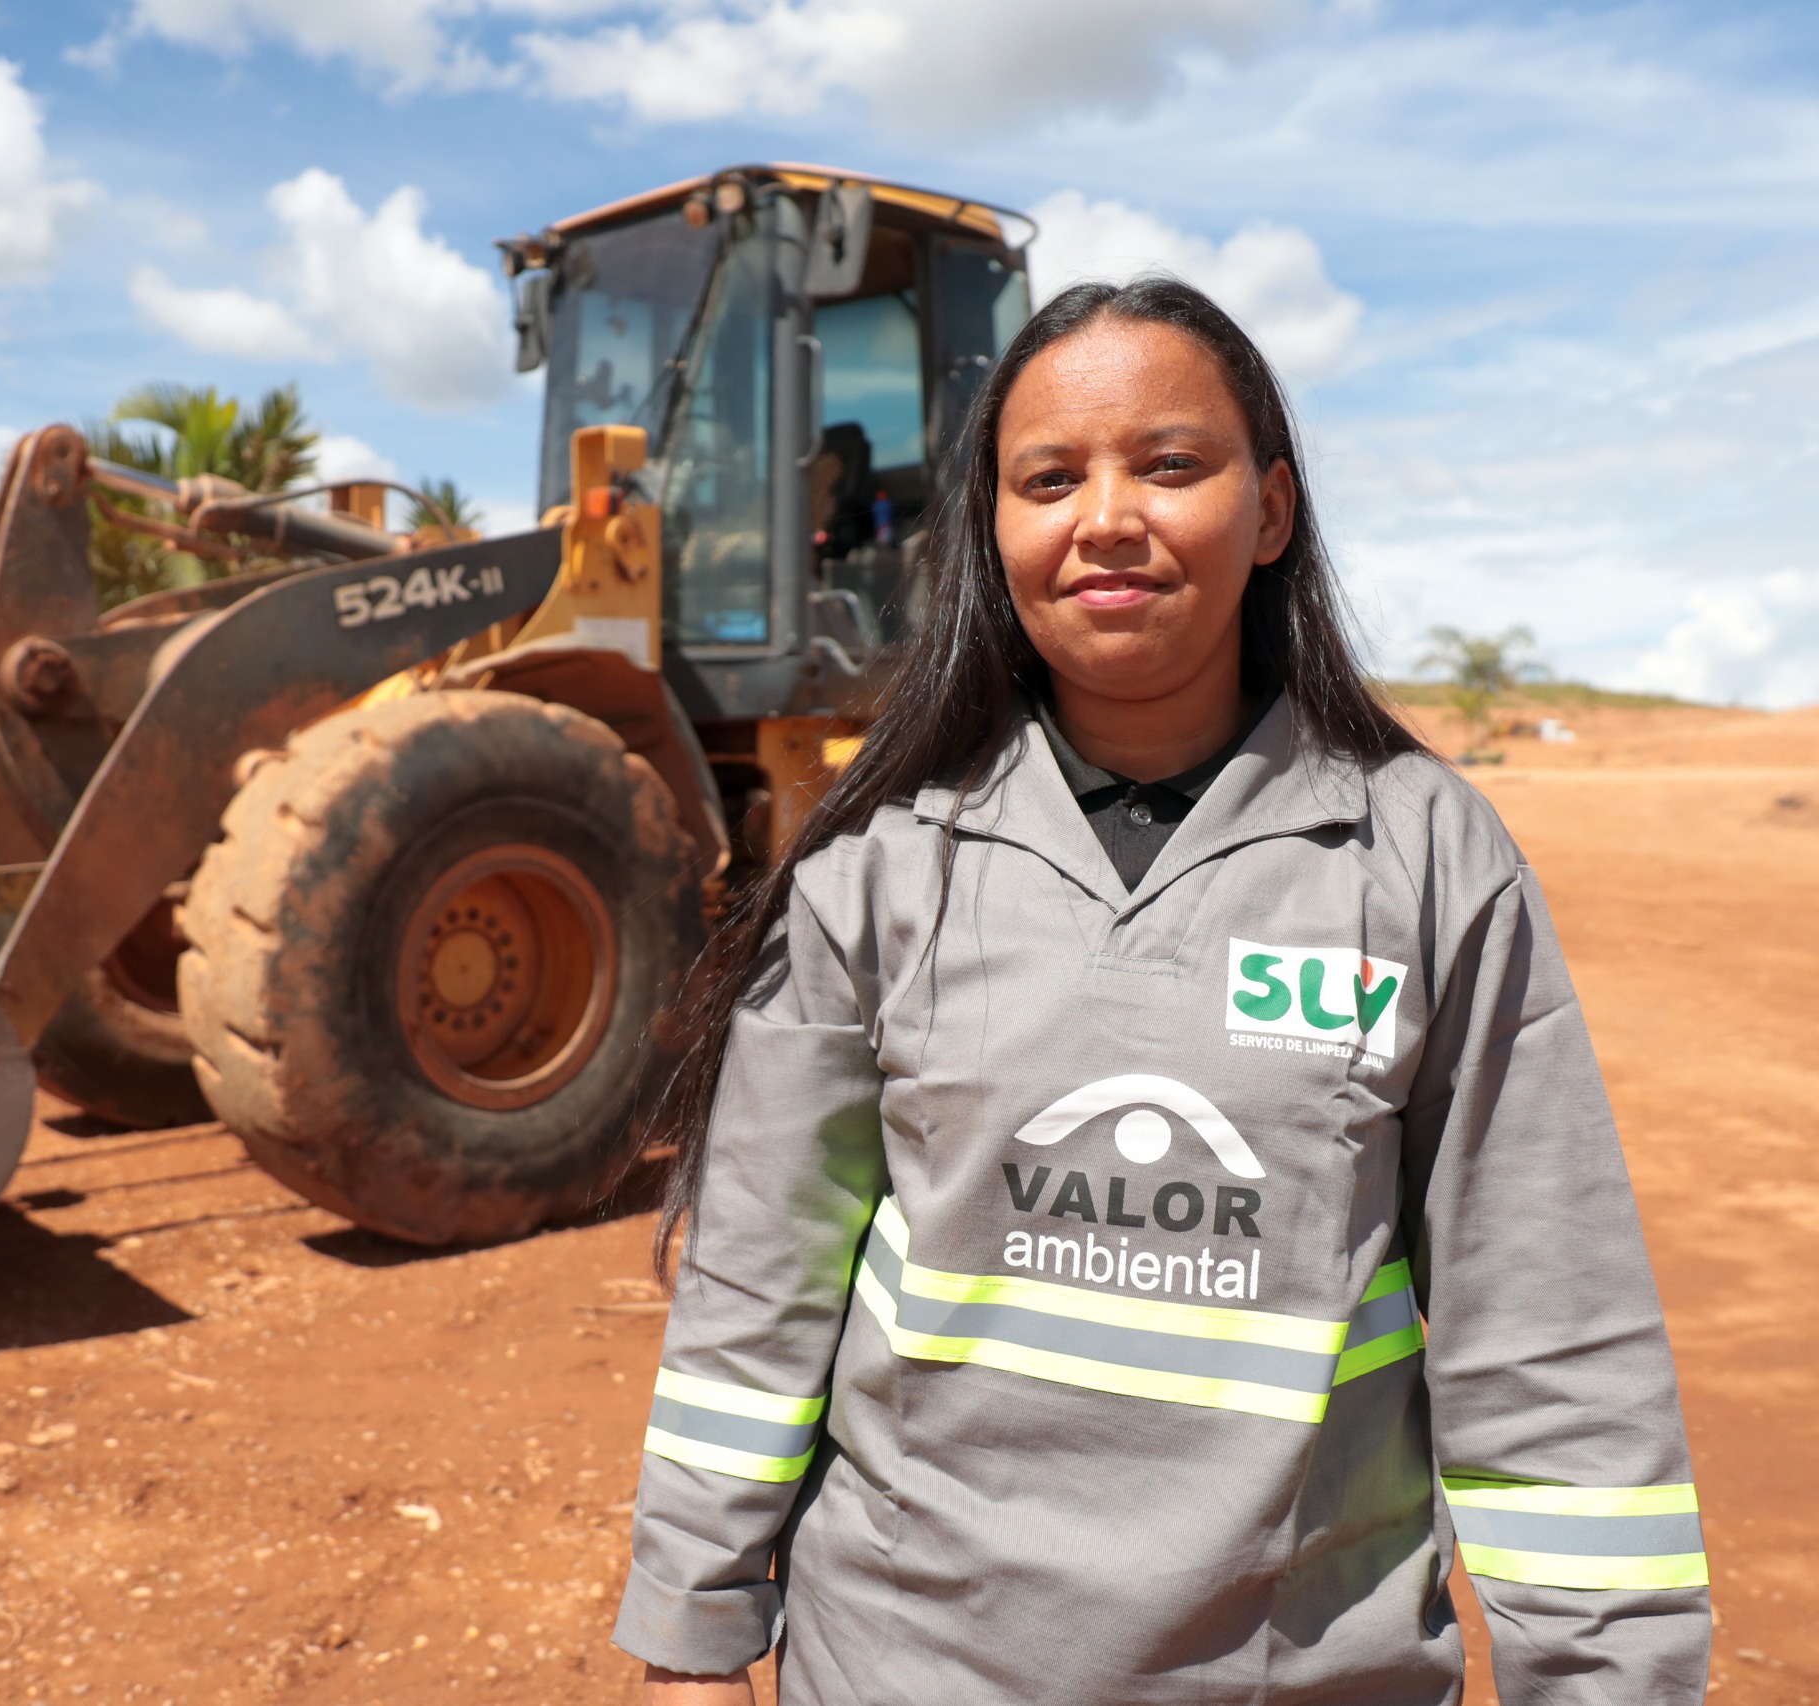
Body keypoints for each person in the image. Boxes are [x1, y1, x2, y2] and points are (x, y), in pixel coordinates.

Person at [615, 277, 1709, 1704]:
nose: (1105, 516)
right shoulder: (878, 866)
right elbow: (758, 1283)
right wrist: (693, 1631)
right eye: (1049, 477)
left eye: (1170, 464)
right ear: (992, 532)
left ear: (1269, 512)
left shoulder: (1425, 859)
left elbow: (1548, 1341)